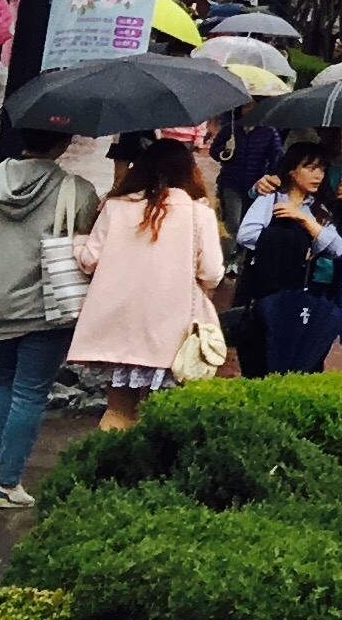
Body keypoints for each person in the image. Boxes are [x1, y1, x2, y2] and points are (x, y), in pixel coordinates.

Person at [0, 137, 99, 508]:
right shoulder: (77, 191)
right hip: (46, 311)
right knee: (29, 392)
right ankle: (6, 485)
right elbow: (86, 251)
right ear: (63, 141)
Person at [68, 137, 228, 433]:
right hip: (173, 330)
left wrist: (78, 242)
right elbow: (212, 273)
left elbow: (89, 260)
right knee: (161, 416)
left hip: (119, 326)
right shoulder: (199, 214)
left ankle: (108, 461)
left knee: (117, 411)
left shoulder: (115, 207)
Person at [236, 139, 342, 377]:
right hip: (266, 290)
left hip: (301, 294)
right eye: (310, 168)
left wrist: (304, 220)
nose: (318, 175)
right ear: (292, 171)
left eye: (321, 169)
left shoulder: (318, 209)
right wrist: (290, 243)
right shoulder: (271, 199)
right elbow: (246, 235)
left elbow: (337, 248)